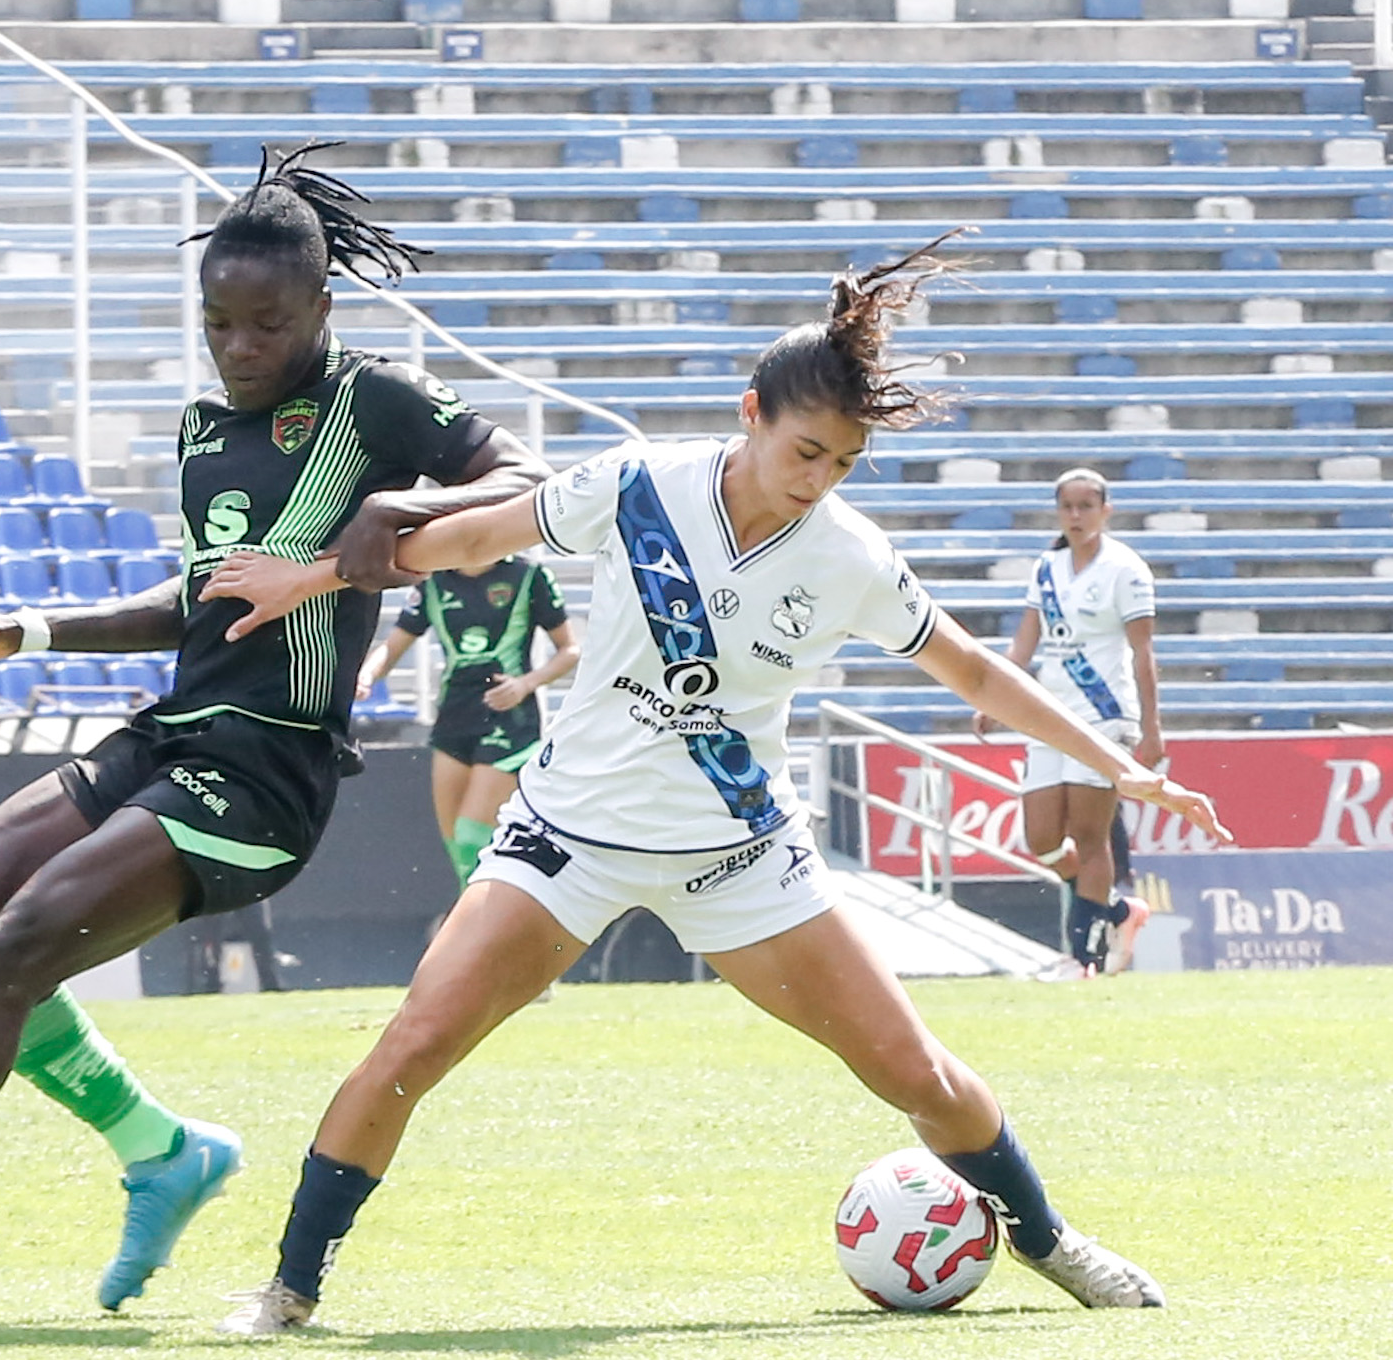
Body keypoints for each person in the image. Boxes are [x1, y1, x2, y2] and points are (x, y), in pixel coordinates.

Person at [196, 237, 1234, 1334]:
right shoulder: (637, 485)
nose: (816, 480)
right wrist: (309, 574)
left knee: (913, 1070)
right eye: (804, 451)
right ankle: (288, 1287)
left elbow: (971, 667)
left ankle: (1050, 1241)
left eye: (840, 463)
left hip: (739, 855)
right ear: (750, 413)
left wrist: (1122, 767)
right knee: (411, 1046)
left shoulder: (847, 555)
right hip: (567, 837)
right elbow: (468, 538)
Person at [0, 142, 548, 1327]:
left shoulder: (372, 404)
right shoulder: (205, 432)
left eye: (267, 324)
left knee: (19, 942)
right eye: (219, 323)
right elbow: (199, 601)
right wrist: (23, 633)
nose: (239, 349)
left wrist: (407, 503)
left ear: (320, 310)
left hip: (266, 773)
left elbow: (534, 482)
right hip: (172, 732)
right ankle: (162, 1151)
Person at [971, 468, 1161, 978]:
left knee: (1090, 835)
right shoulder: (1047, 566)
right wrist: (995, 697)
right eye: (1067, 507)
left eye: (1086, 506)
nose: (1076, 516)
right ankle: (1118, 913)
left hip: (1103, 716)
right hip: (1048, 714)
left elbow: (1143, 652)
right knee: (1042, 838)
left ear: (1106, 510)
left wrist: (1151, 728)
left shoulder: (1126, 569)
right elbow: (1026, 642)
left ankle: (1084, 959)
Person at [357, 557, 579, 888]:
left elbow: (569, 650)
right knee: (459, 853)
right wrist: (366, 676)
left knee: (471, 838)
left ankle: (495, 929)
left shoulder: (528, 576)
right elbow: (393, 646)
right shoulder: (432, 581)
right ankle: (483, 929)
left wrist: (525, 684)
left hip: (509, 718)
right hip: (453, 717)